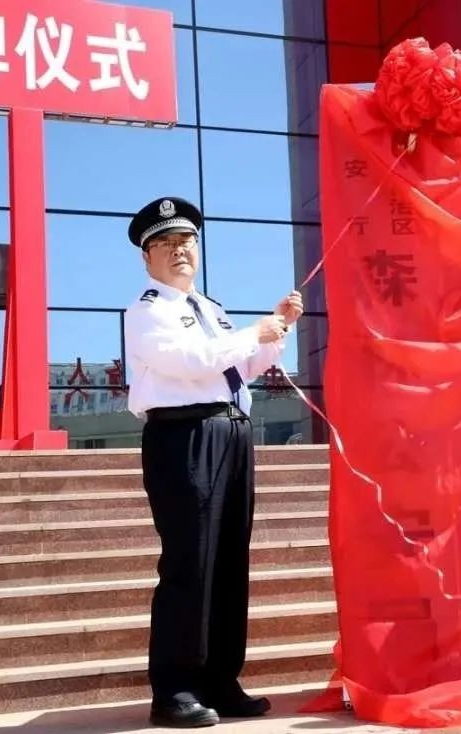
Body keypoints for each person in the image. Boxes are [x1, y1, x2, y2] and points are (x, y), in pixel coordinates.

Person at [124, 196, 303, 727]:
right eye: (165, 243)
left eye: (186, 241)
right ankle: (175, 689)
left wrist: (278, 327)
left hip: (231, 432)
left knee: (228, 562)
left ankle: (221, 679)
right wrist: (252, 334)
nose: (179, 250)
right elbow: (188, 361)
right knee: (190, 561)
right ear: (147, 257)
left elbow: (239, 368)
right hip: (184, 436)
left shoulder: (211, 309)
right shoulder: (147, 311)